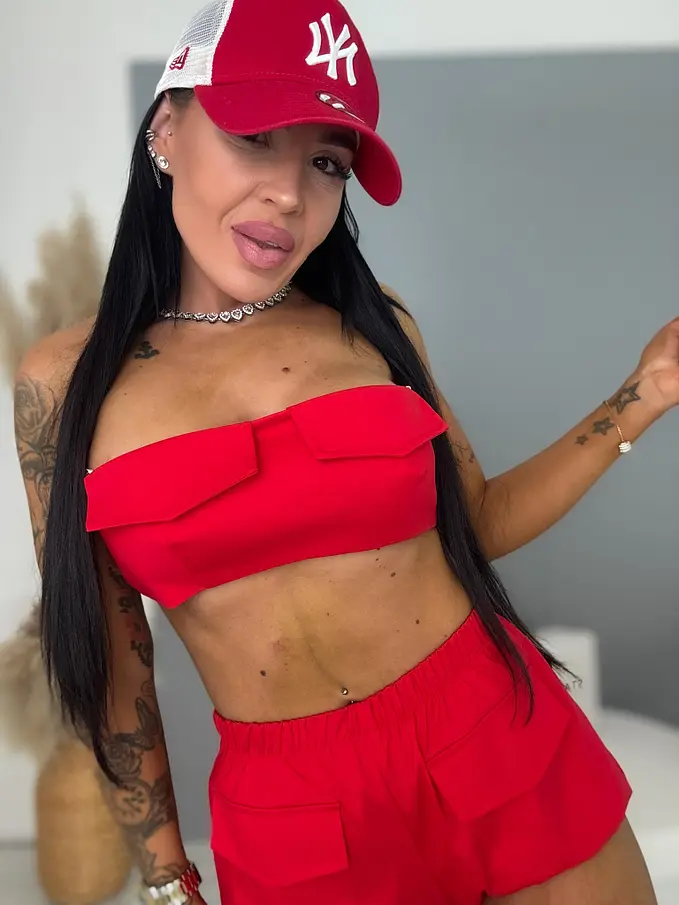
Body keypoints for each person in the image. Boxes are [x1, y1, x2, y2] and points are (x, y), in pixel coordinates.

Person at [13, 0, 677, 902]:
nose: (290, 194)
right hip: (294, 814)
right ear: (166, 129)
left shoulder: (373, 323)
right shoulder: (63, 384)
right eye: (255, 138)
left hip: (495, 734)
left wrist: (648, 391)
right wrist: (166, 879)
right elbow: (112, 664)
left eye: (325, 162)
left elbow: (477, 521)